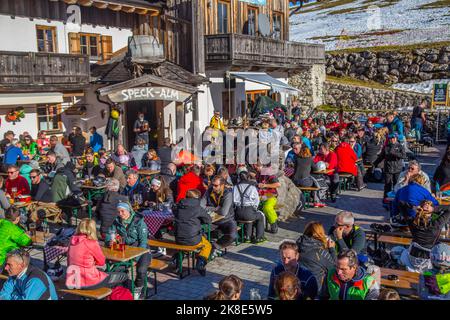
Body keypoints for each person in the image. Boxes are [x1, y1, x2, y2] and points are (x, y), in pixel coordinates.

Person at [105, 202, 151, 299]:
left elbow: (143, 242)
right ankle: (122, 288)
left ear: (129, 210)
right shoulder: (117, 221)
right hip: (126, 250)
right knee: (116, 269)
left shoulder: (139, 222)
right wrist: (109, 241)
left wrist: (136, 259)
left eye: (123, 211)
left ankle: (139, 288)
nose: (120, 214)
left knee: (141, 270)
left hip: (142, 250)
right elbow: (109, 233)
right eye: (118, 212)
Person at [66, 219, 128, 290]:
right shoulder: (91, 243)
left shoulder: (72, 240)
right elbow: (102, 262)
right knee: (123, 276)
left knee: (104, 273)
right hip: (88, 282)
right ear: (93, 229)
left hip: (73, 281)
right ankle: (116, 295)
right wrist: (92, 262)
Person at [397, 201, 450, 273]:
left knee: (400, 251)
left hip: (412, 259)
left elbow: (401, 204)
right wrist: (434, 209)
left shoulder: (412, 223)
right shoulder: (436, 224)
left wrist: (414, 207)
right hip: (429, 262)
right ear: (430, 212)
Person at [174, 189, 212, 276]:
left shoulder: (179, 205)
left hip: (178, 238)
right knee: (207, 245)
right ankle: (200, 263)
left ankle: (177, 262)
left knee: (182, 246)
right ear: (197, 198)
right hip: (192, 239)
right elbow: (208, 220)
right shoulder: (198, 208)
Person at [201, 176, 237, 257]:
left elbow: (224, 212)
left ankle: (214, 246)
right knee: (198, 230)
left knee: (233, 235)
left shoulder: (228, 193)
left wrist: (208, 209)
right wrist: (216, 208)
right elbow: (201, 205)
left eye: (216, 185)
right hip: (212, 220)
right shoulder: (209, 191)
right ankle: (206, 248)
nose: (213, 187)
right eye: (212, 185)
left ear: (222, 185)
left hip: (226, 220)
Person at [297, 221, 337, 292]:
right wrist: (332, 249)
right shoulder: (320, 252)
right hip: (316, 288)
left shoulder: (298, 245)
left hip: (298, 285)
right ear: (320, 234)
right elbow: (334, 267)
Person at [233, 167, 266, 244]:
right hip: (249, 211)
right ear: (248, 178)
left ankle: (247, 236)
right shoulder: (252, 187)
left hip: (237, 213)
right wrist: (253, 209)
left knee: (249, 217)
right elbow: (256, 201)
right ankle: (259, 237)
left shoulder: (234, 187)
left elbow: (233, 200)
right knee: (260, 216)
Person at [373, 133, 406, 201]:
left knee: (396, 185)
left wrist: (394, 153)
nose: (392, 140)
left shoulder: (400, 146)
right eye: (391, 138)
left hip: (397, 168)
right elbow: (381, 156)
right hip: (388, 168)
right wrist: (375, 163)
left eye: (393, 138)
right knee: (387, 185)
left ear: (396, 138)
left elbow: (403, 156)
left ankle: (396, 200)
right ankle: (386, 199)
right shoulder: (386, 147)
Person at [255, 163, 281, 234]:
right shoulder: (258, 173)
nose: (254, 167)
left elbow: (278, 184)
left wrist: (265, 185)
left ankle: (273, 223)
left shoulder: (268, 172)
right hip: (260, 195)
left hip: (270, 195)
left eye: (256, 165)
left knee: (267, 207)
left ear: (261, 165)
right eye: (253, 165)